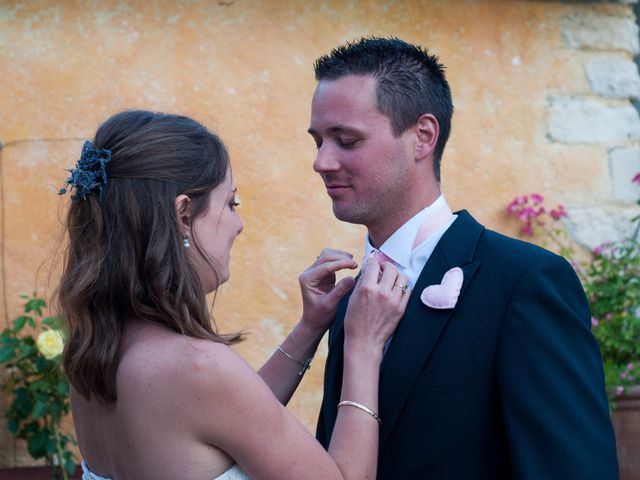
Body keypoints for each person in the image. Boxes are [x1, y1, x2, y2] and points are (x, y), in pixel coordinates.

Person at [310, 37, 619, 479]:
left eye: (346, 140)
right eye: (318, 140)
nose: (322, 161)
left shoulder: (523, 281)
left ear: (423, 137)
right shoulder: (352, 298)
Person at [56, 110, 411, 480]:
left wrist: (309, 327)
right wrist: (363, 345)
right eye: (230, 203)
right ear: (183, 213)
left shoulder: (92, 352)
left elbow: (229, 421)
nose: (238, 225)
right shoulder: (197, 366)